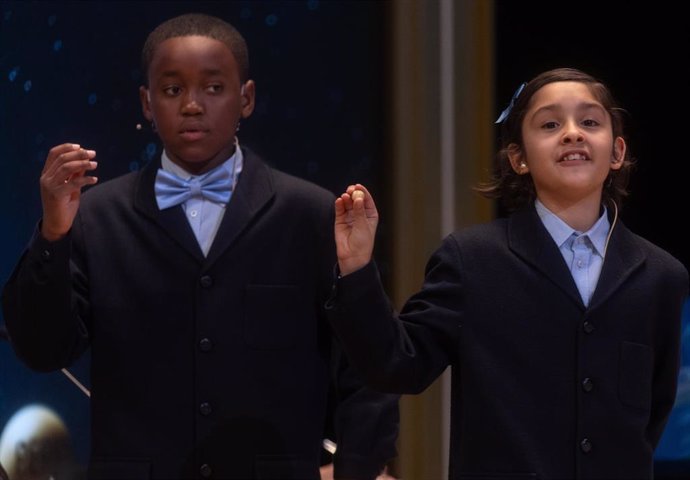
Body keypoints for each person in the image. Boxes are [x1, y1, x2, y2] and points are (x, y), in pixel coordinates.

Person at [1, 13, 398, 480]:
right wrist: (52, 234)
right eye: (172, 91)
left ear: (246, 99)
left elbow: (366, 364)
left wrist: (356, 470)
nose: (192, 105)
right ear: (147, 104)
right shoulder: (95, 216)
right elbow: (43, 350)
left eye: (213, 89)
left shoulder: (309, 214)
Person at [328, 67, 689, 479]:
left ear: (617, 151)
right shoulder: (473, 259)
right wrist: (356, 269)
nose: (573, 133)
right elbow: (396, 364)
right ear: (518, 158)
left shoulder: (662, 276)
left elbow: (652, 412)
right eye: (550, 124)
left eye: (589, 122)